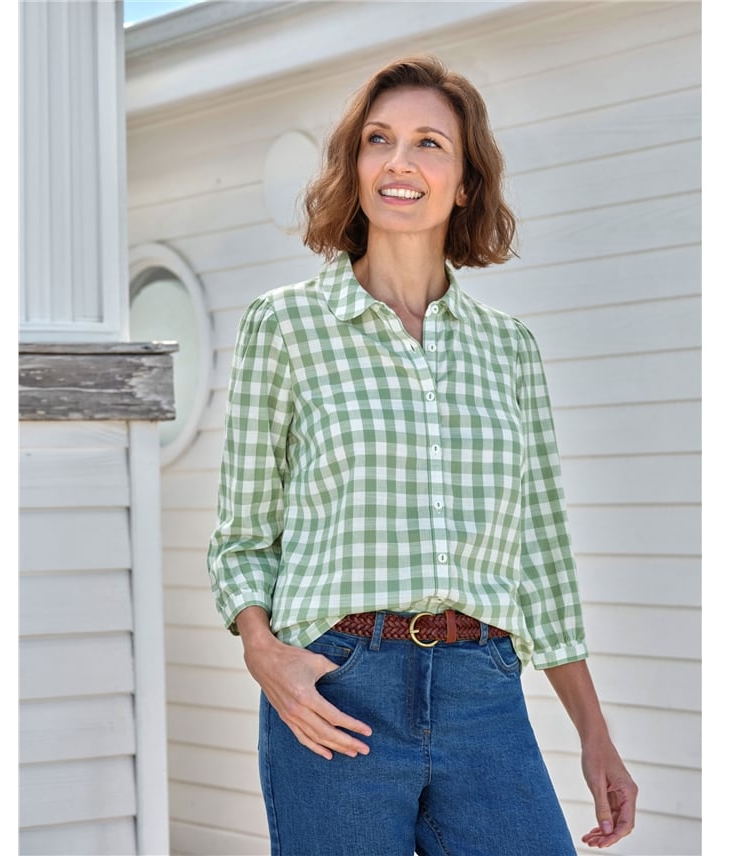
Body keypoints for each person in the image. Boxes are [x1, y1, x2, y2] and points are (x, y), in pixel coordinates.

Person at [208, 55, 637, 856]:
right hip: (338, 687)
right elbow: (242, 537)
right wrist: (265, 656)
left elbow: (540, 557)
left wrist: (594, 733)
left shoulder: (507, 350)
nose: (399, 161)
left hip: (484, 686)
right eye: (379, 139)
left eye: (428, 143)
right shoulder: (286, 327)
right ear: (355, 165)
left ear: (465, 181)